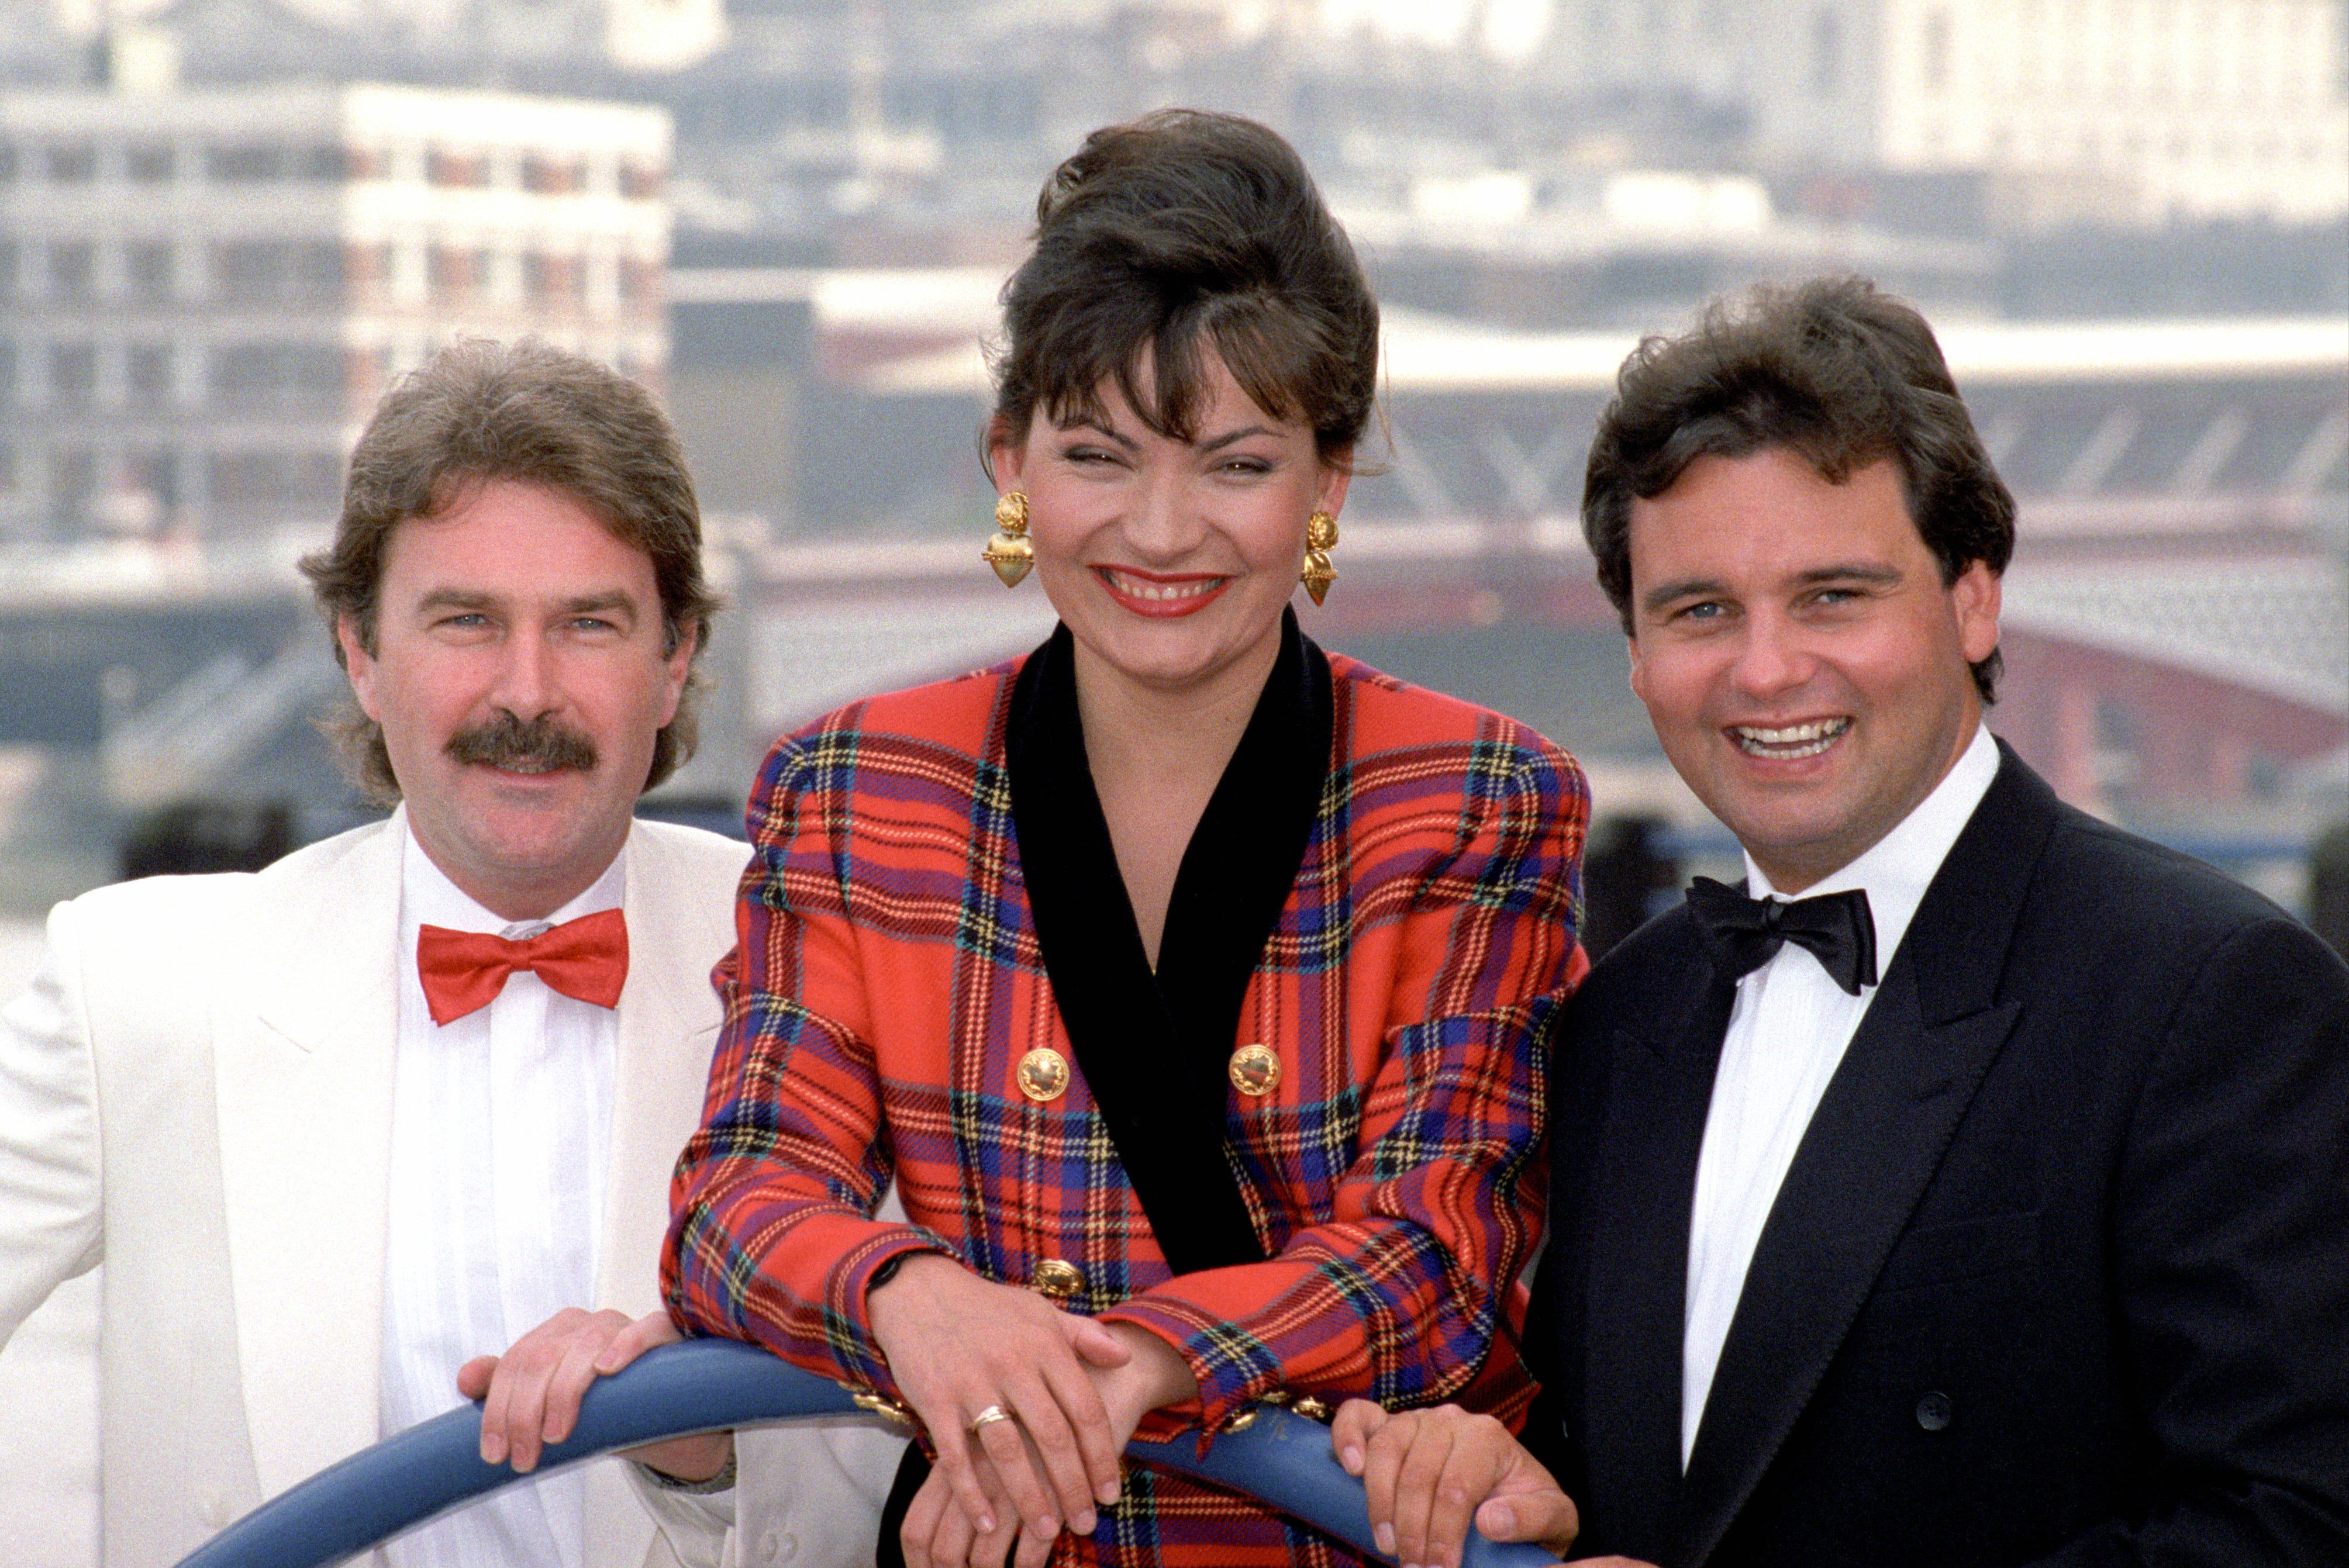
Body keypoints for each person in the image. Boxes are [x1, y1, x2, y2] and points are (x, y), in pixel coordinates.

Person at [658, 110, 1587, 1568]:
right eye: (1098, 456)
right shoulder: (853, 787)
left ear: (1329, 479)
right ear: (1007, 460)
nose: (1160, 534)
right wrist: (916, 1301)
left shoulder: (1474, 792)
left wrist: (1108, 1379)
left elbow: (1436, 1253)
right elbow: (736, 1199)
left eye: (1232, 465)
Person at [1330, 275, 2349, 1568]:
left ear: (1971, 599)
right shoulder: (1613, 1023)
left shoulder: (2213, 996)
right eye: (1699, 610)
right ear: (1635, 654)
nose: (1763, 669)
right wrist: (1519, 1479)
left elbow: (2293, 1527)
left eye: (1831, 597)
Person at [0, 340, 901, 1566]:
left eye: (588, 623)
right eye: (466, 620)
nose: (523, 693)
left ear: (676, 654)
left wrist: (700, 1449)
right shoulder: (139, 986)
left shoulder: (833, 957)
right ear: (361, 653)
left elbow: (921, 1461)